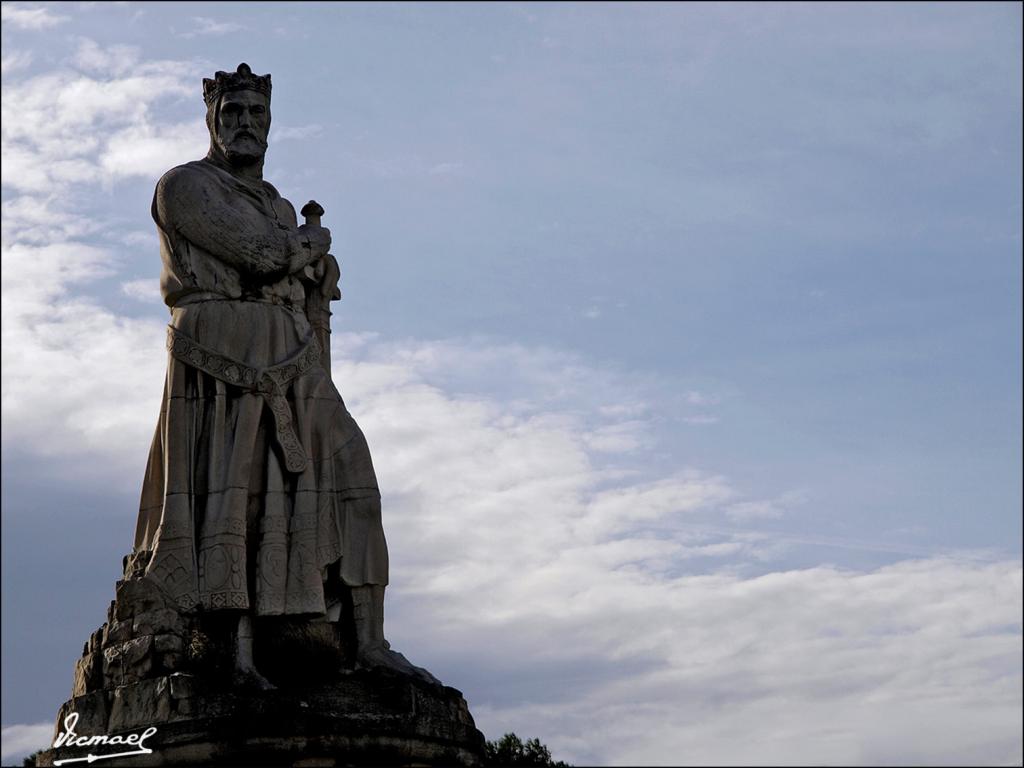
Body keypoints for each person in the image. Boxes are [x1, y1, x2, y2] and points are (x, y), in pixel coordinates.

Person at [130, 63, 430, 687]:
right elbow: (262, 256)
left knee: (354, 474)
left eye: (256, 113)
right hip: (221, 357)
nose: (245, 123)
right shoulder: (184, 186)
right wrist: (308, 248)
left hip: (292, 358)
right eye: (232, 112)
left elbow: (283, 272)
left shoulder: (279, 205)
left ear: (270, 122)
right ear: (211, 118)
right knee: (234, 497)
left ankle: (368, 642)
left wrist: (312, 280)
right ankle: (232, 653)